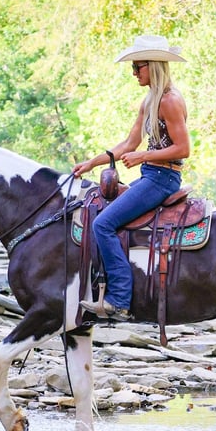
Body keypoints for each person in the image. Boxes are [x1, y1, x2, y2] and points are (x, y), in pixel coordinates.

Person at [73, 34, 191, 321]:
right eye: (133, 67)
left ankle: (119, 299)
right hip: (151, 174)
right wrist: (92, 163)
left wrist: (143, 157)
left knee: (103, 224)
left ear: (153, 66)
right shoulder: (149, 100)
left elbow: (183, 148)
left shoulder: (170, 101)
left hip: (163, 178)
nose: (134, 73)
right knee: (101, 208)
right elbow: (129, 144)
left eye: (138, 67)